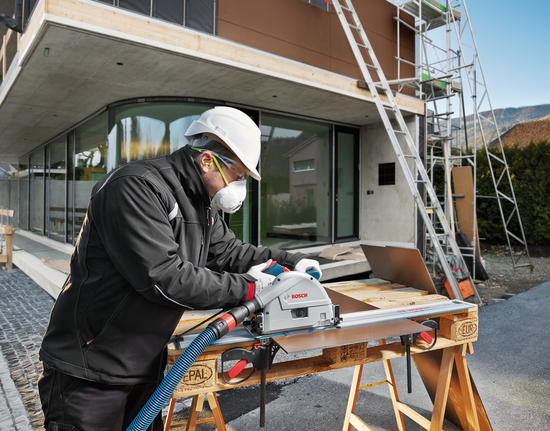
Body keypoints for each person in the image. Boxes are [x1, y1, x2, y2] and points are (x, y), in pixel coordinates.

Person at [38, 107, 321, 431]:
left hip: (141, 365)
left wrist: (289, 261)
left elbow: (230, 252)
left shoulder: (200, 207)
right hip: (89, 370)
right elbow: (163, 278)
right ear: (206, 161)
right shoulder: (135, 188)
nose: (238, 186)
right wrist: (252, 289)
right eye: (238, 176)